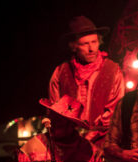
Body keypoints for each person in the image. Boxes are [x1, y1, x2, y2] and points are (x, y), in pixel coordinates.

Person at [49, 15, 124, 147]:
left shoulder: (113, 71)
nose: (91, 49)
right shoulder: (61, 72)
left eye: (94, 42)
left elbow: (116, 112)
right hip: (69, 146)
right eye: (85, 44)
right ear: (74, 46)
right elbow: (55, 110)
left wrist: (89, 137)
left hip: (102, 145)